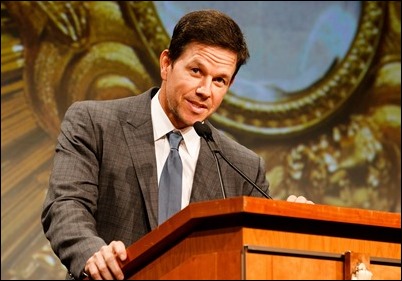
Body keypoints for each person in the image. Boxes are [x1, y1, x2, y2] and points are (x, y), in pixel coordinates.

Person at [41, 9, 313, 280]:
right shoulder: (94, 123)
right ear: (166, 64)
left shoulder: (242, 166)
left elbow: (257, 254)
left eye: (220, 80)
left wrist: (289, 229)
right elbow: (65, 205)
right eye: (196, 71)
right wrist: (92, 253)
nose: (206, 90)